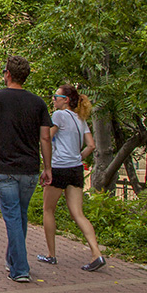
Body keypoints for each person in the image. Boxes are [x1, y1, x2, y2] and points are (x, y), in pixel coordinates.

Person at [0, 55, 52, 283]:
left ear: (7, 74)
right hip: (30, 169)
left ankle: (20, 269)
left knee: (13, 217)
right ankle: (12, 260)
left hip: (4, 168)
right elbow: (45, 138)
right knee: (20, 215)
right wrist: (48, 167)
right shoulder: (38, 103)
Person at [38, 84, 105, 271]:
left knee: (48, 210)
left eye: (55, 96)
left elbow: (46, 138)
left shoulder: (59, 115)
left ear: (65, 100)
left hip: (59, 167)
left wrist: (46, 164)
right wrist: (77, 157)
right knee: (78, 213)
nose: (53, 99)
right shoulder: (80, 118)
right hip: (76, 169)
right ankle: (96, 253)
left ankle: (51, 255)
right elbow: (91, 145)